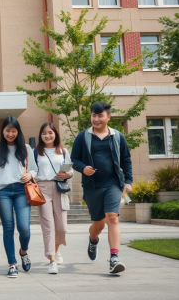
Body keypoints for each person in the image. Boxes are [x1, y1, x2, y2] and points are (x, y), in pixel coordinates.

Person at [71, 102, 133, 274]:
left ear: (108, 117)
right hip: (92, 186)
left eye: (100, 115)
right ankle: (93, 239)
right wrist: (83, 168)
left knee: (112, 217)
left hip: (113, 183)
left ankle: (114, 257)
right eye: (93, 115)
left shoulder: (118, 136)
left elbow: (126, 160)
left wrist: (128, 181)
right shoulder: (83, 137)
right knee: (98, 224)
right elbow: (74, 159)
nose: (96, 119)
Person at [0, 116, 38, 278]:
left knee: (24, 227)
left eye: (13, 130)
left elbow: (34, 169)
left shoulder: (25, 148)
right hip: (3, 192)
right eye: (7, 130)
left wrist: (29, 175)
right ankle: (12, 264)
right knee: (8, 228)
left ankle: (23, 252)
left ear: (18, 131)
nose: (10, 134)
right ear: (2, 131)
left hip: (21, 190)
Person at [34, 123, 73, 274]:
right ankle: (52, 260)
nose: (47, 135)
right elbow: (32, 169)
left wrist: (67, 174)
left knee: (62, 227)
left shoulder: (62, 151)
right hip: (43, 188)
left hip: (60, 188)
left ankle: (55, 250)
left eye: (50, 132)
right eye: (44, 133)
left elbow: (71, 171)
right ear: (40, 135)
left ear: (55, 134)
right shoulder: (36, 152)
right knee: (48, 226)